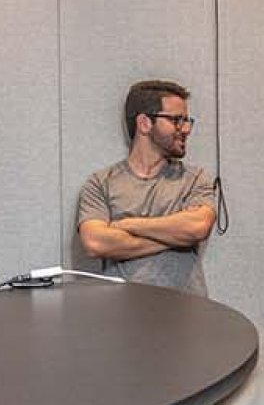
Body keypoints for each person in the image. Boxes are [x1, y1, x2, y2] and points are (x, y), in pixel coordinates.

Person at [74, 79, 221, 294]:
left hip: (187, 315)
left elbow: (197, 228)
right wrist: (174, 237)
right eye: (176, 120)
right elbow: (96, 242)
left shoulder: (195, 179)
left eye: (187, 120)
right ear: (144, 123)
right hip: (122, 316)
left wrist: (127, 224)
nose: (186, 129)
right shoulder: (100, 183)